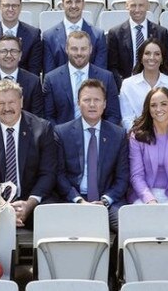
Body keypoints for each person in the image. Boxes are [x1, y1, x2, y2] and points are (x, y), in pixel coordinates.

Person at [0, 79, 57, 227]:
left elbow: (48, 173)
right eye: (1, 103)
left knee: (51, 215)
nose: (7, 108)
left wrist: (30, 204)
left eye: (12, 102)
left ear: (21, 102)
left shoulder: (42, 129)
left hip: (32, 201)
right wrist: (3, 206)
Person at [55, 79, 129, 231]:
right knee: (59, 226)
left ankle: (111, 256)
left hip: (107, 202)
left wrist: (105, 201)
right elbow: (59, 175)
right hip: (74, 199)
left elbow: (122, 178)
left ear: (105, 104)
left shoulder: (118, 134)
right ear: (78, 103)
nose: (92, 104)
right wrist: (79, 201)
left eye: (97, 100)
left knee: (126, 226)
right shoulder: (62, 133)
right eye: (87, 100)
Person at [43, 30, 120, 126]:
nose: (79, 53)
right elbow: (48, 116)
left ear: (90, 49)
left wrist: (99, 133)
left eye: (83, 49)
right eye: (74, 49)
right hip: (62, 138)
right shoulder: (51, 79)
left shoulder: (106, 78)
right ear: (66, 49)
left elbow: (114, 115)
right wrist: (60, 135)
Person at [107, 0, 168, 89]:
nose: (137, 10)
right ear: (126, 6)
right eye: (133, 5)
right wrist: (124, 86)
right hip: (126, 87)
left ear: (148, 6)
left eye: (141, 5)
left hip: (155, 87)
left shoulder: (161, 33)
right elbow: (112, 67)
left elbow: (166, 64)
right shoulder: (115, 33)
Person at [0, 35, 43, 120]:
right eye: (3, 51)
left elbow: (37, 120)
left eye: (14, 51)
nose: (9, 55)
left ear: (20, 55)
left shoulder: (33, 82)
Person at [120, 38, 168, 131]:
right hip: (139, 138)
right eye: (147, 53)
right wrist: (144, 136)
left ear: (162, 59)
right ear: (141, 58)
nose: (152, 57)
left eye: (157, 54)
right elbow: (127, 120)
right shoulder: (128, 84)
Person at [43, 0, 107, 74]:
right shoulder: (49, 37)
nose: (73, 6)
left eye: (77, 2)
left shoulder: (98, 35)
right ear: (62, 5)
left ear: (83, 4)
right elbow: (49, 75)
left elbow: (100, 73)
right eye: (69, 2)